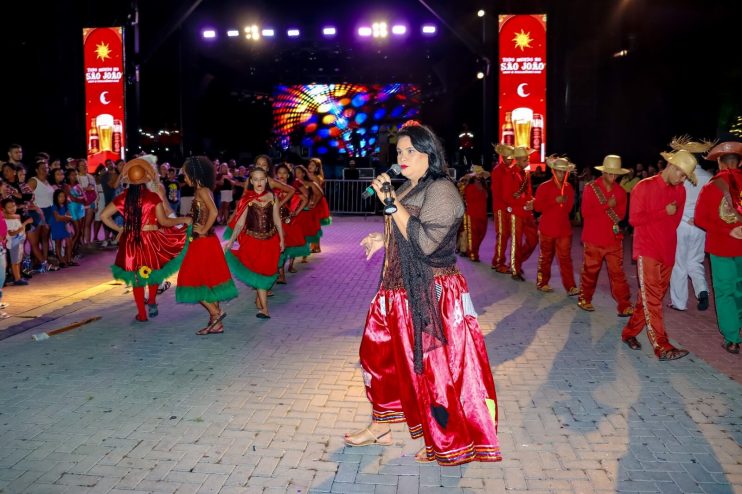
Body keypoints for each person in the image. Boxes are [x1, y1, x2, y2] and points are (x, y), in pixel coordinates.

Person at [345, 121, 500, 466]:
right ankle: (381, 425)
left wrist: (389, 201)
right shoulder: (408, 188)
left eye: (410, 151)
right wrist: (381, 239)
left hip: (432, 293)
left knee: (434, 371)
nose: (402, 157)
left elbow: (428, 244)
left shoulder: (442, 190)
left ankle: (447, 440)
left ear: (428, 153)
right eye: (399, 151)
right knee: (377, 357)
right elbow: (402, 230)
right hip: (396, 291)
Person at [622, 149, 696, 361]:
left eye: (685, 176)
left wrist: (667, 215)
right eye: (681, 174)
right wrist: (664, 212)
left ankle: (629, 333)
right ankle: (662, 346)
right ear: (671, 166)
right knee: (653, 299)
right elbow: (634, 220)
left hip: (668, 250)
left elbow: (674, 223)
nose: (683, 179)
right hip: (647, 250)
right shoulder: (643, 187)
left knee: (648, 298)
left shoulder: (680, 191)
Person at [100, 157, 191, 322]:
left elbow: (104, 216)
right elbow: (164, 222)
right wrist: (183, 220)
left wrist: (120, 229)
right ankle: (153, 301)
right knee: (154, 271)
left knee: (137, 277)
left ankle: (142, 314)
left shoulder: (122, 197)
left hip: (132, 240)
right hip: (151, 239)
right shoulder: (152, 197)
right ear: (145, 179)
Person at [175, 156, 238, 334]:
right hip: (203, 242)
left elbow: (215, 211)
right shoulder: (201, 190)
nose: (184, 177)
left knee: (189, 280)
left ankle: (216, 313)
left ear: (194, 174)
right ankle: (216, 323)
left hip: (203, 242)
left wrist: (203, 229)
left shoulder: (202, 190)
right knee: (209, 281)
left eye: (185, 174)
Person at [694, 140, 742, 354]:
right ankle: (737, 327)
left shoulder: (712, 186)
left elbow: (700, 219)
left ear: (720, 162)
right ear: (738, 163)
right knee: (740, 291)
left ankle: (732, 339)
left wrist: (726, 231)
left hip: (721, 248)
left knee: (724, 292)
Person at [577, 155, 633, 316]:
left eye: (616, 174)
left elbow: (621, 216)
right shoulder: (591, 188)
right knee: (590, 271)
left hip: (613, 240)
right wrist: (607, 206)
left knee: (618, 273)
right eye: (610, 173)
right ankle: (584, 299)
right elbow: (586, 213)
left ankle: (624, 304)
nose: (613, 177)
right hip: (593, 239)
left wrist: (611, 208)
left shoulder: (621, 192)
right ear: (604, 172)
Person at [225, 167, 285, 319]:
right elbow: (239, 224)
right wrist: (231, 241)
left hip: (270, 241)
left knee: (267, 272)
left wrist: (282, 239)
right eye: (255, 179)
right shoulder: (247, 199)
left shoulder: (272, 196)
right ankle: (265, 309)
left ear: (266, 180)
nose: (259, 182)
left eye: (261, 179)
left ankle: (260, 297)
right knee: (258, 273)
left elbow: (277, 219)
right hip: (253, 242)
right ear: (251, 181)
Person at [666, 137, 715, 312]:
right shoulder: (710, 178)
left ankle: (679, 302)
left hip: (681, 224)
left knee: (679, 263)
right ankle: (702, 290)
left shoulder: (681, 176)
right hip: (700, 226)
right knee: (695, 262)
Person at [534, 156, 578, 295]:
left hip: (563, 229)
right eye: (558, 171)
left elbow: (569, 209)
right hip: (547, 228)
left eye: (563, 171)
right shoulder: (544, 186)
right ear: (553, 171)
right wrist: (555, 201)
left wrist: (563, 203)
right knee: (546, 257)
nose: (561, 174)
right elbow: (537, 207)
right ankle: (542, 282)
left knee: (565, 259)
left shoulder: (569, 188)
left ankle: (570, 286)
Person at [502, 146, 538, 281]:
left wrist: (532, 201)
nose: (527, 162)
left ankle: (516, 261)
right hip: (516, 213)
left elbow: (528, 192)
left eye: (527, 159)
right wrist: (524, 202)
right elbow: (507, 197)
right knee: (516, 242)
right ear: (517, 160)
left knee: (533, 240)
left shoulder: (526, 173)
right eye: (524, 160)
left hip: (527, 213)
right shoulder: (509, 174)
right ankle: (515, 269)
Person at [490, 144, 515, 273]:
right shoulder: (498, 170)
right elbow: (499, 192)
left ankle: (497, 260)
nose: (510, 160)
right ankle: (499, 263)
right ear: (502, 157)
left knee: (506, 235)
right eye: (508, 158)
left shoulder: (508, 170)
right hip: (501, 208)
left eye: (512, 158)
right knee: (502, 235)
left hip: (507, 208)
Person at [1, 198, 32, 285]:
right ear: (4, 209)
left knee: (18, 260)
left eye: (13, 206)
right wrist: (25, 224)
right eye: (9, 207)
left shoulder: (16, 217)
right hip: (13, 242)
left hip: (19, 242)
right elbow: (11, 233)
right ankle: (17, 278)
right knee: (14, 261)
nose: (12, 208)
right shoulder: (7, 220)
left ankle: (18, 276)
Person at [462, 166, 489, 262]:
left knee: (481, 234)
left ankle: (473, 251)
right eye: (477, 176)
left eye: (480, 175)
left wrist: (481, 189)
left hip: (482, 214)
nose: (479, 177)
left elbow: (486, 197)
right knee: (473, 236)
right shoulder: (469, 187)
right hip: (473, 214)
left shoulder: (484, 186)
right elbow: (469, 200)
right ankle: (473, 254)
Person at [49, 189, 74, 267]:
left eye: (63, 196)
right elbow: (57, 218)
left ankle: (69, 260)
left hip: (64, 225)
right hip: (56, 225)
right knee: (58, 243)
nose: (62, 198)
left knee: (69, 243)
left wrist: (66, 218)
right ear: (56, 197)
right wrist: (67, 218)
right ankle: (61, 261)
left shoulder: (65, 206)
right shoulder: (54, 206)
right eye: (60, 196)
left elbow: (69, 216)